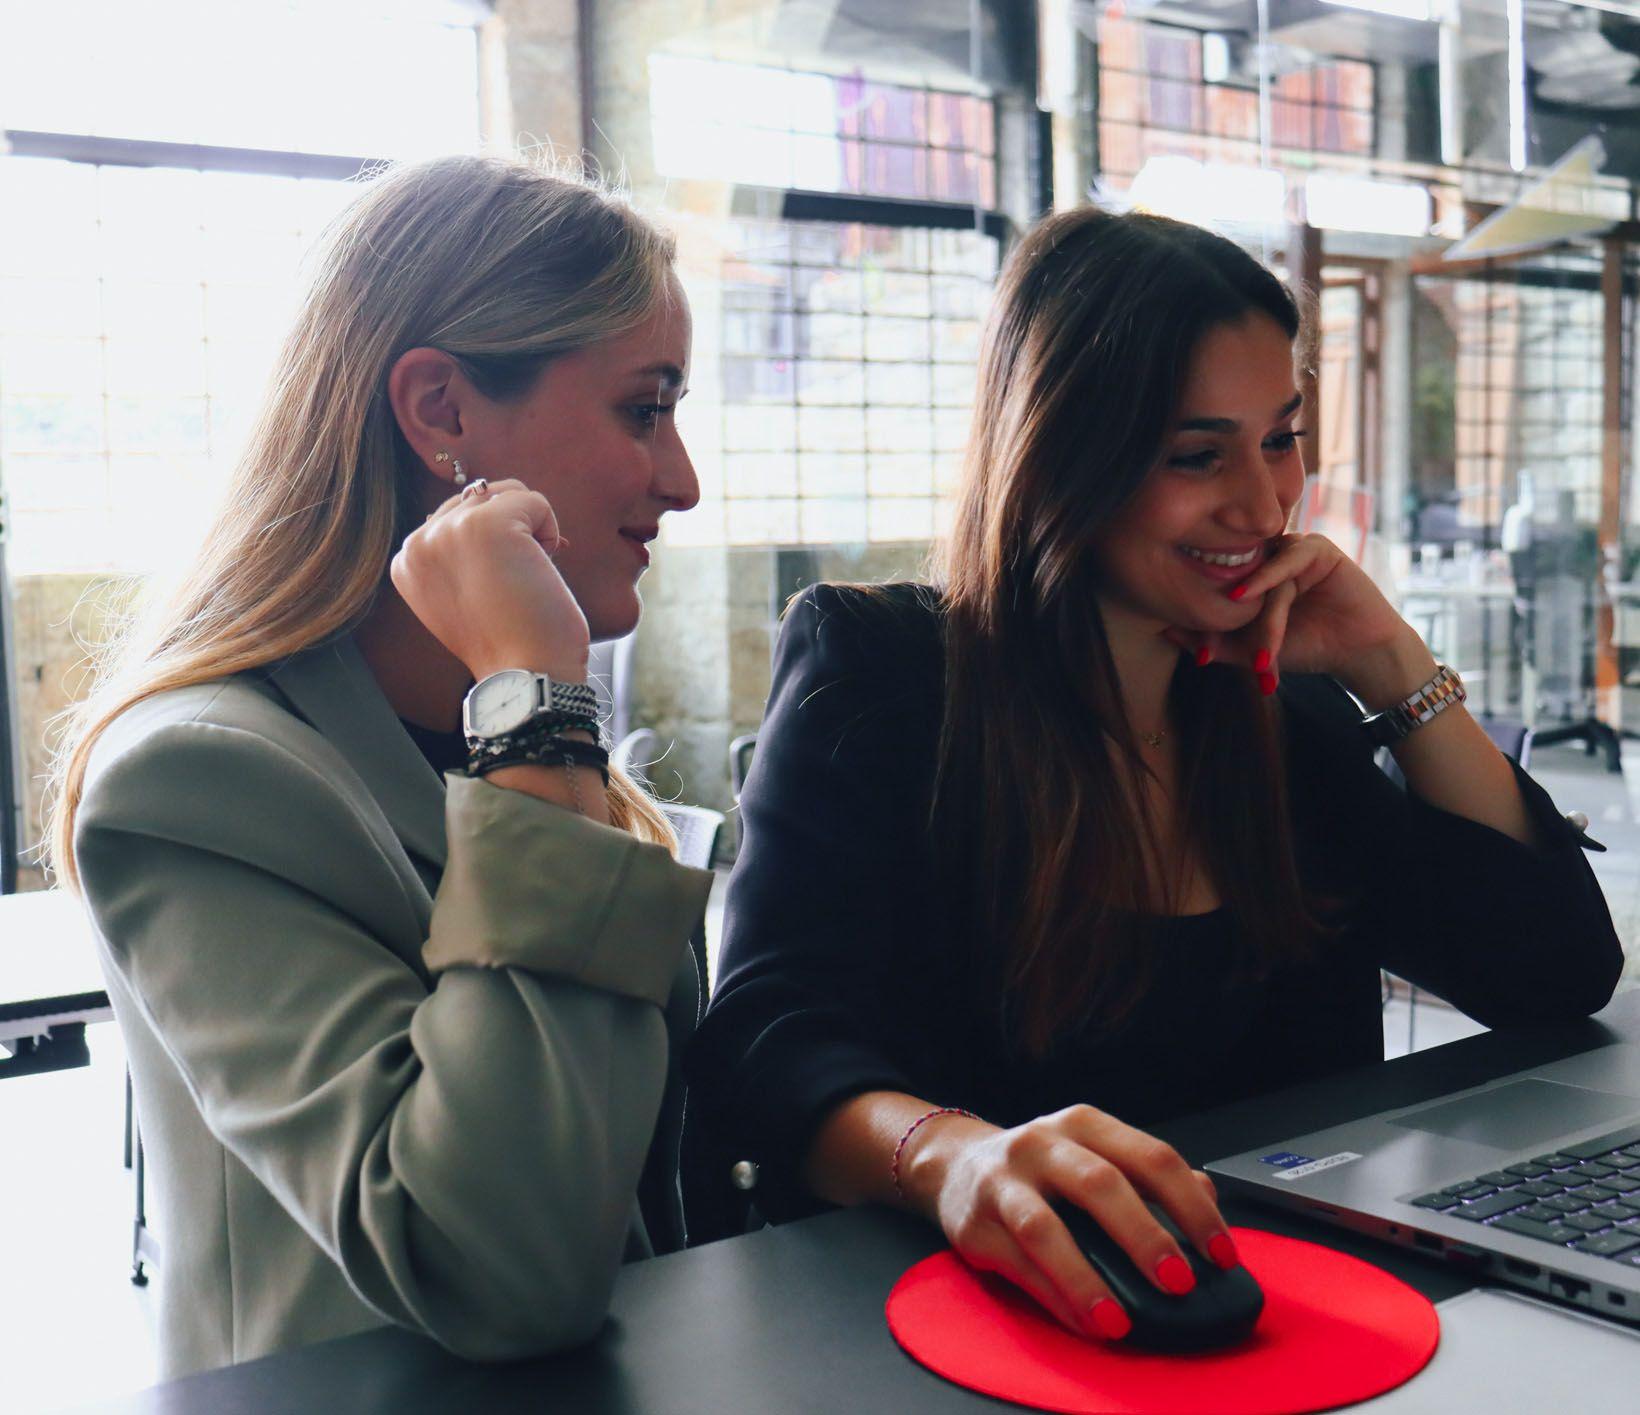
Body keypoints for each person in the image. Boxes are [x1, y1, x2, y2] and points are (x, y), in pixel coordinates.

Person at [687, 207, 1622, 1344]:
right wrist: (948, 1152)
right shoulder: (881, 671)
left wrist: (1393, 665)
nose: (1263, 501)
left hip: (1274, 1320)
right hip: (977, 1325)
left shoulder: (1277, 704)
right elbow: (769, 1037)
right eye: (1196, 455)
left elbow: (1554, 970)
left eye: (1278, 437)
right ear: (1062, 456)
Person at [49, 155, 711, 1378]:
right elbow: (492, 1263)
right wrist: (535, 702)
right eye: (642, 407)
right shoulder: (199, 781)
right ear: (441, 412)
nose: (680, 478)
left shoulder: (515, 741)